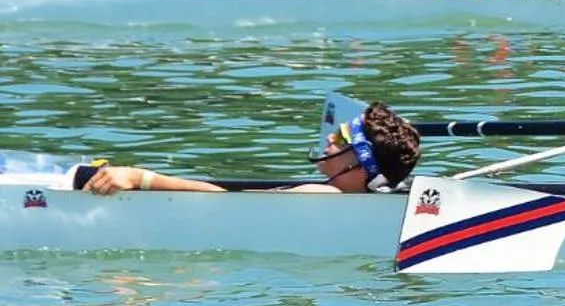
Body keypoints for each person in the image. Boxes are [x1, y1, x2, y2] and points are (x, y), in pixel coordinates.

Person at [78, 103, 423, 195]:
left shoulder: (317, 197)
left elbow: (225, 204)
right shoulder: (368, 193)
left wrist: (142, 178)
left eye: (343, 138)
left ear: (361, 164)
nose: (330, 139)